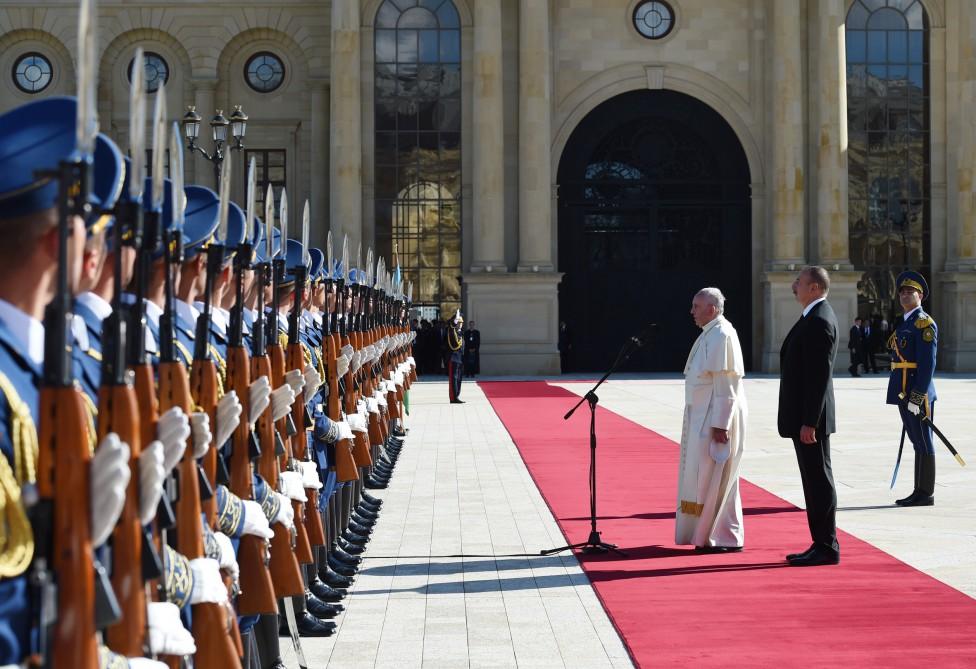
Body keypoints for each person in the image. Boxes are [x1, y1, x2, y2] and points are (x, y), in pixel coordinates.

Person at [675, 288, 746, 553]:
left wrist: (721, 424)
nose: (692, 311)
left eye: (696, 306)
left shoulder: (723, 335)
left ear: (712, 309)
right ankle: (704, 534)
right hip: (702, 417)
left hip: (715, 421)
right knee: (705, 478)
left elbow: (727, 384)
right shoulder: (711, 333)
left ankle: (723, 537)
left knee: (718, 478)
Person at [778, 266, 840, 567]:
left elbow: (818, 377)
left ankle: (827, 546)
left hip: (810, 421)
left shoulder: (819, 321)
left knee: (818, 480)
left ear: (814, 287)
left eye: (799, 283)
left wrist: (810, 422)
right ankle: (820, 542)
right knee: (813, 479)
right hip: (805, 418)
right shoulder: (812, 316)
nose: (793, 286)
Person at [887, 271, 938, 507]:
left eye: (911, 292)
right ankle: (919, 490)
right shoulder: (906, 322)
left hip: (917, 392)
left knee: (924, 441)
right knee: (915, 439)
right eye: (903, 292)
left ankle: (925, 492)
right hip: (902, 390)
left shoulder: (923, 323)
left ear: (921, 296)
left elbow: (928, 364)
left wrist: (917, 397)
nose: (906, 295)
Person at [447, 311, 464, 403]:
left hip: (460, 359)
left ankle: (457, 395)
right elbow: (455, 344)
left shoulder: (460, 333)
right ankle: (453, 398)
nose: (460, 324)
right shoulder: (452, 331)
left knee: (459, 378)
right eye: (459, 322)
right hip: (453, 358)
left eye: (461, 323)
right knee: (454, 378)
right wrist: (454, 322)